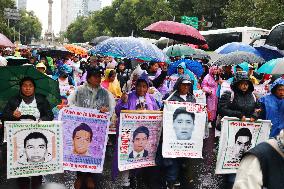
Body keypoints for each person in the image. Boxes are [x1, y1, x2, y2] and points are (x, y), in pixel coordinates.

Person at [2, 77, 54, 189]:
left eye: (30, 85)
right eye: (25, 85)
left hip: (37, 136)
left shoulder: (41, 100)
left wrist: (42, 120)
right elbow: (4, 116)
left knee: (37, 165)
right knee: (21, 166)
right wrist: (12, 115)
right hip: (19, 138)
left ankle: (36, 185)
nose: (27, 88)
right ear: (20, 87)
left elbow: (50, 115)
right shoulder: (13, 100)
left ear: (34, 88)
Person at [68, 67, 115, 189]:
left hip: (97, 128)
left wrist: (106, 112)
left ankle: (89, 175)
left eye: (99, 76)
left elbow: (110, 110)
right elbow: (70, 104)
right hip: (80, 126)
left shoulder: (105, 93)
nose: (98, 79)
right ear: (88, 78)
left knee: (93, 151)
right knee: (79, 151)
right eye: (95, 76)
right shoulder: (79, 91)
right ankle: (79, 176)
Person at [113, 73, 160, 189]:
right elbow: (118, 112)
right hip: (129, 134)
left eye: (144, 86)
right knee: (127, 155)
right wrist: (123, 102)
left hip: (144, 134)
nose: (142, 89)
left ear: (147, 87)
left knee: (140, 155)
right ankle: (125, 181)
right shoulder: (128, 96)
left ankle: (135, 177)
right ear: (135, 86)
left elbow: (157, 114)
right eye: (139, 86)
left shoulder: (151, 99)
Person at [161, 77, 196, 189]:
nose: (186, 87)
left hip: (187, 134)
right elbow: (164, 112)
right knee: (173, 157)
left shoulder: (192, 98)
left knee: (185, 158)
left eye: (188, 85)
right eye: (183, 84)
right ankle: (171, 180)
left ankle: (183, 179)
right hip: (173, 133)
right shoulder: (170, 97)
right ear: (178, 85)